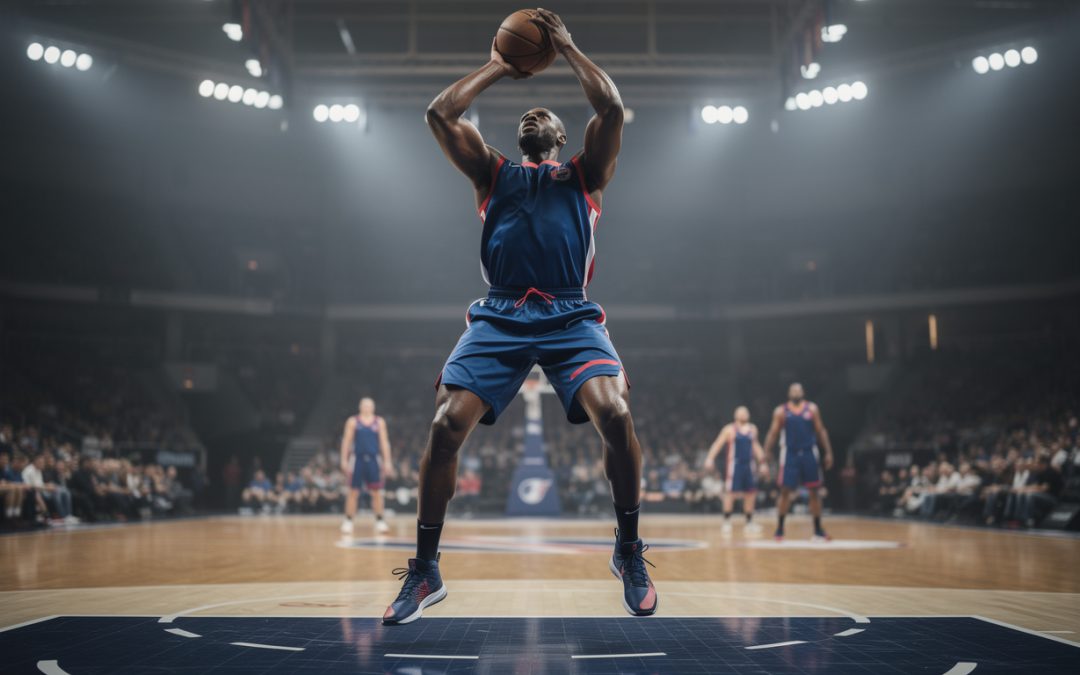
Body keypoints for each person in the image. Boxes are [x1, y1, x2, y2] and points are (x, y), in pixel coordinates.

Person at [383, 9, 656, 625]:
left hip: (570, 314)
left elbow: (611, 109)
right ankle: (425, 569)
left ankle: (629, 550)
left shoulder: (585, 173)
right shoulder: (493, 171)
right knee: (446, 426)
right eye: (526, 113)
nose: (532, 116)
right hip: (501, 313)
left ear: (562, 137)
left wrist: (568, 47)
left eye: (545, 116)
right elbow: (438, 115)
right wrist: (499, 66)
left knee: (614, 412)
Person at [763, 383, 835, 541]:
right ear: (789, 393)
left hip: (809, 452)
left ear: (803, 392)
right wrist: (766, 451)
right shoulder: (781, 411)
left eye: (799, 390)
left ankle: (818, 529)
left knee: (814, 491)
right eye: (793, 390)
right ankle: (780, 529)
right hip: (790, 453)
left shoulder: (812, 409)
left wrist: (828, 452)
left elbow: (821, 430)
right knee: (785, 491)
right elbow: (773, 432)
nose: (796, 392)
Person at [703, 406, 767, 536]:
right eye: (741, 412)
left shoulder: (752, 429)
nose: (744, 414)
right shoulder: (729, 429)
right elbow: (717, 444)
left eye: (746, 412)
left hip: (749, 465)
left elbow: (756, 446)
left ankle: (749, 523)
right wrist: (710, 458)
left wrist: (763, 463)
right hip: (735, 465)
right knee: (730, 493)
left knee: (751, 493)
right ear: (735, 415)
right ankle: (726, 522)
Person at [340, 397, 396, 535]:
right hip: (357, 459)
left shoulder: (379, 422)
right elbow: (346, 442)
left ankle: (380, 521)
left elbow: (384, 442)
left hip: (373, 459)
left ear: (373, 407)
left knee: (377, 492)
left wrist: (388, 461)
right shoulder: (353, 421)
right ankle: (348, 521)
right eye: (364, 405)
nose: (367, 407)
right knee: (353, 491)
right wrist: (344, 460)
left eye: (369, 405)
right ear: (360, 407)